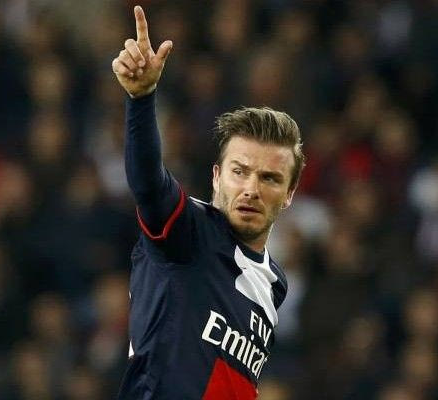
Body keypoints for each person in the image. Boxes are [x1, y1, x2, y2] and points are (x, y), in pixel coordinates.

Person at [111, 6, 305, 399]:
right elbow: (149, 185)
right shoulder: (188, 231)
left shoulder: (274, 285)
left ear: (289, 194)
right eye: (240, 171)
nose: (251, 188)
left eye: (269, 178)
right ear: (216, 177)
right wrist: (141, 99)